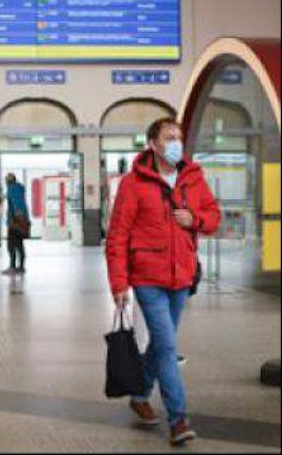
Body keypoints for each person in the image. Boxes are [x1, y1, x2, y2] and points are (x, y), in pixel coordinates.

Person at [106, 117, 220, 446]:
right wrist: (119, 283)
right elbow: (117, 236)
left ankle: (140, 394)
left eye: (179, 137)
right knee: (168, 347)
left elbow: (213, 217)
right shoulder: (133, 183)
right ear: (153, 144)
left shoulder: (193, 178)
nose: (176, 143)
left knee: (159, 343)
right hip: (147, 277)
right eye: (169, 138)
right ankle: (178, 418)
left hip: (181, 275)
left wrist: (193, 219)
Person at [3, 173, 30, 275]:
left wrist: (14, 219)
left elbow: (16, 205)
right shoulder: (20, 189)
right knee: (19, 245)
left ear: (9, 181)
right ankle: (21, 267)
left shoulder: (12, 189)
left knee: (11, 245)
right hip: (21, 221)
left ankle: (13, 266)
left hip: (14, 222)